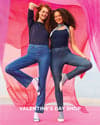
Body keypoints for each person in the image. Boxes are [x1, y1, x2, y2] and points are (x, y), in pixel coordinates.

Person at [5, 2, 51, 122]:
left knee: (42, 84)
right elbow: (30, 4)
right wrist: (40, 7)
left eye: (46, 12)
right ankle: (31, 80)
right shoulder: (32, 22)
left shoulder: (49, 26)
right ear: (39, 12)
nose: (44, 14)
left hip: (45, 53)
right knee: (9, 68)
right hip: (32, 52)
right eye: (43, 11)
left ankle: (37, 112)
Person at [50, 8, 92, 122]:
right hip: (54, 57)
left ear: (63, 16)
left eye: (59, 16)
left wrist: (82, 55)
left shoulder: (70, 28)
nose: (57, 18)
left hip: (66, 54)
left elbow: (73, 45)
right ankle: (60, 113)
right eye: (55, 17)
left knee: (87, 64)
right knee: (57, 86)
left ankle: (66, 77)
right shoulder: (51, 30)